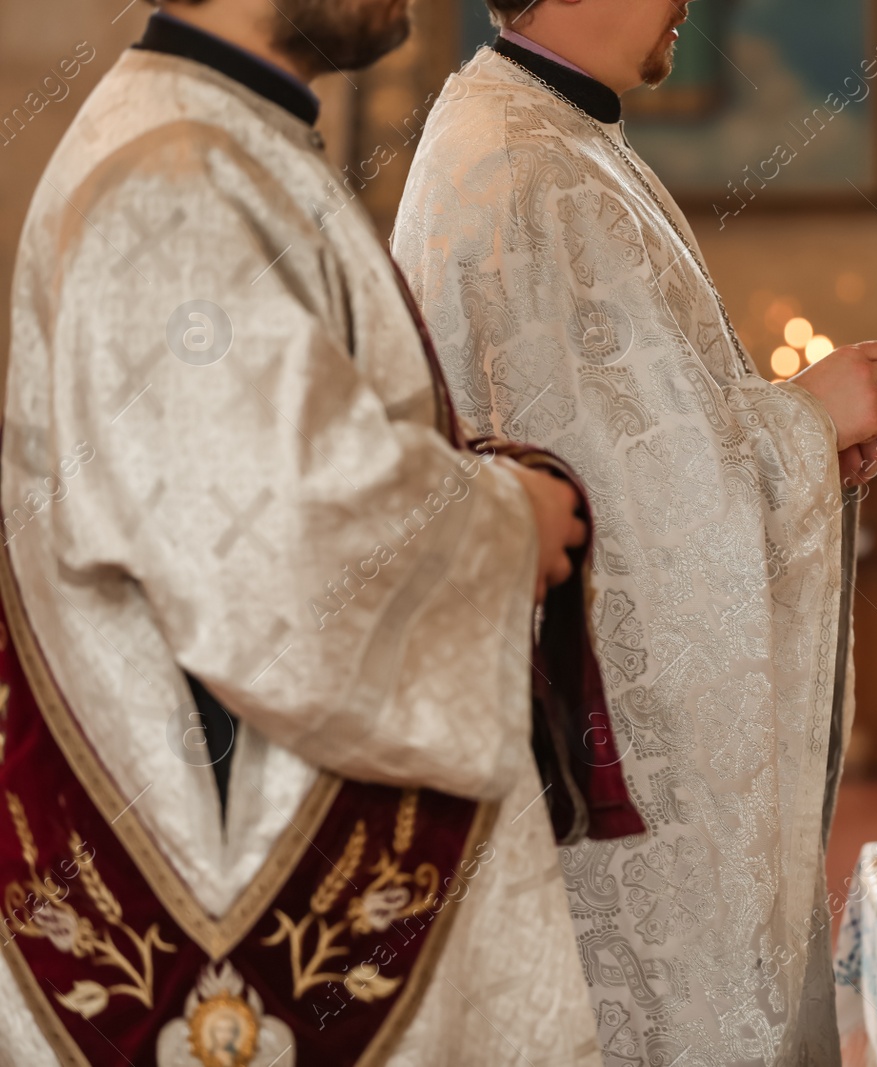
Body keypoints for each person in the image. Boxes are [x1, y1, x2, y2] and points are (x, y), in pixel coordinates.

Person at [0, 0, 623, 1063]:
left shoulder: (224, 137)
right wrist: (502, 522)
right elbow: (270, 545)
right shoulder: (171, 179)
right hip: (227, 903)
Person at [393, 1, 877, 1062]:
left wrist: (805, 445)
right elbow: (631, 518)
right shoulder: (524, 168)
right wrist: (806, 420)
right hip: (605, 781)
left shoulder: (543, 130)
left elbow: (640, 444)